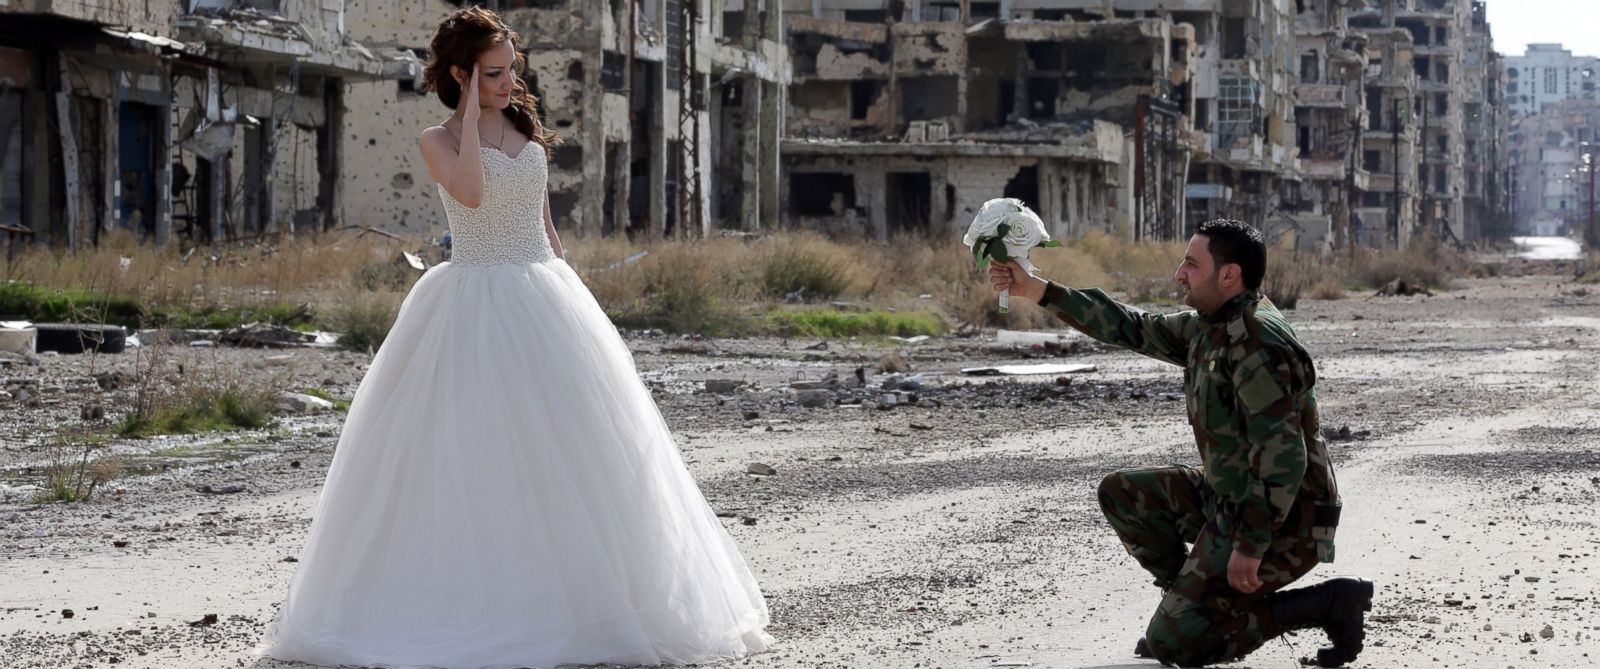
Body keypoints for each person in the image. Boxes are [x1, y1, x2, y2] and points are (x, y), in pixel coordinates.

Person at [258, 8, 771, 667]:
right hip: (470, 299)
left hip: (542, 293)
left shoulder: (524, 125)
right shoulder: (437, 139)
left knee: (577, 449)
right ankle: (471, 602)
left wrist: (565, 282)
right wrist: (472, 117)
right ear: (461, 75)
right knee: (472, 450)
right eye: (493, 74)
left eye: (510, 71)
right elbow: (471, 195)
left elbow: (542, 216)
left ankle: (588, 601)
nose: (509, 83)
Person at [987, 219, 1373, 668]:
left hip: (1287, 522)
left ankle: (1326, 604)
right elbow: (1130, 326)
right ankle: (1197, 612)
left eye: (1192, 264)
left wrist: (1251, 544)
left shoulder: (1256, 344)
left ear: (1229, 275)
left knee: (1174, 646)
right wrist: (1036, 289)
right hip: (1231, 498)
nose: (1179, 274)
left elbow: (1283, 456)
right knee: (1123, 493)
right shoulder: (1213, 325)